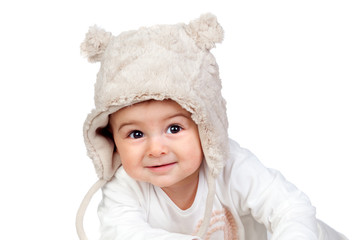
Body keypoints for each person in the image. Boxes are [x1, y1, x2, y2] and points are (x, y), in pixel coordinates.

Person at [76, 13, 347, 240]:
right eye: (136, 134)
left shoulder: (230, 165)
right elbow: (125, 234)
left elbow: (289, 207)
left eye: (174, 128)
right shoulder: (124, 187)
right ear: (111, 139)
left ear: (205, 126)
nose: (156, 149)